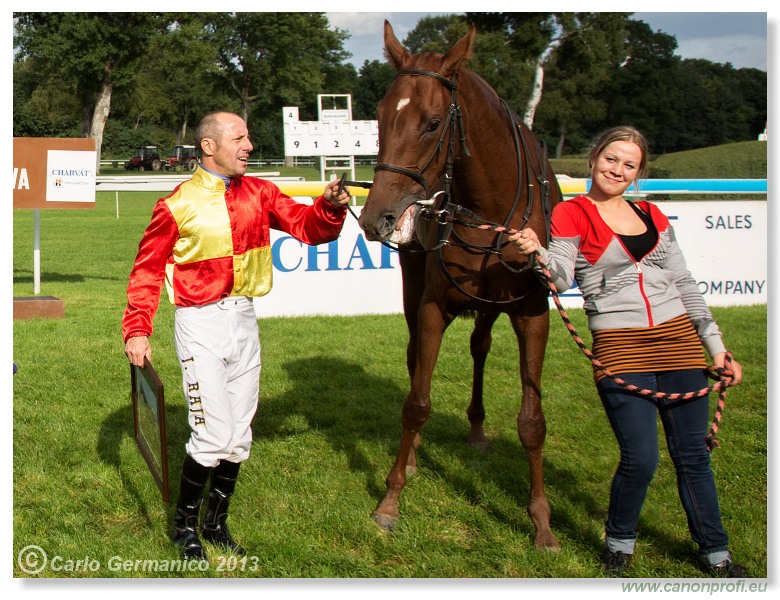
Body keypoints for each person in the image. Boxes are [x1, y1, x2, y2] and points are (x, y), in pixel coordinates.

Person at [508, 126, 745, 577]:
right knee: (641, 458)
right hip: (621, 346)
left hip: (679, 343)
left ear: (638, 173)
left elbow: (686, 286)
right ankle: (619, 544)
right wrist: (536, 250)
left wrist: (716, 348)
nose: (617, 169)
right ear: (595, 158)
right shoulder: (572, 213)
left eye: (628, 164)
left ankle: (716, 552)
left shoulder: (652, 215)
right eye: (611, 159)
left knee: (693, 455)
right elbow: (559, 277)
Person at [122, 111, 350, 561]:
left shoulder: (261, 192)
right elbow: (147, 271)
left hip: (244, 320)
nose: (249, 144)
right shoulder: (176, 204)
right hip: (199, 324)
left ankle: (215, 523)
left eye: (249, 135)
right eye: (240, 137)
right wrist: (137, 330)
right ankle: (183, 527)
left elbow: (310, 228)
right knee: (212, 434)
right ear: (210, 146)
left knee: (239, 435)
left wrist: (331, 206)